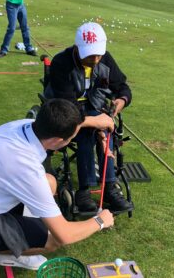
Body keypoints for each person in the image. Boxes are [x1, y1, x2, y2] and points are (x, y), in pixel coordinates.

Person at [0, 99, 115, 277]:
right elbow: (65, 235)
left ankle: (7, 251)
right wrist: (100, 221)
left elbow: (62, 128)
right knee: (52, 239)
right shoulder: (25, 167)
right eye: (71, 138)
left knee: (49, 182)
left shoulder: (26, 126)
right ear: (57, 141)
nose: (72, 139)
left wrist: (94, 121)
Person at [44, 22, 134, 214]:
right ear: (77, 48)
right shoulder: (61, 63)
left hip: (94, 110)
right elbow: (68, 105)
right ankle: (84, 191)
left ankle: (110, 188)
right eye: (90, 55)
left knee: (106, 130)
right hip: (66, 112)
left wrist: (120, 101)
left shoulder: (105, 59)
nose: (95, 59)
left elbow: (123, 87)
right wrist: (96, 122)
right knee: (87, 133)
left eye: (99, 54)